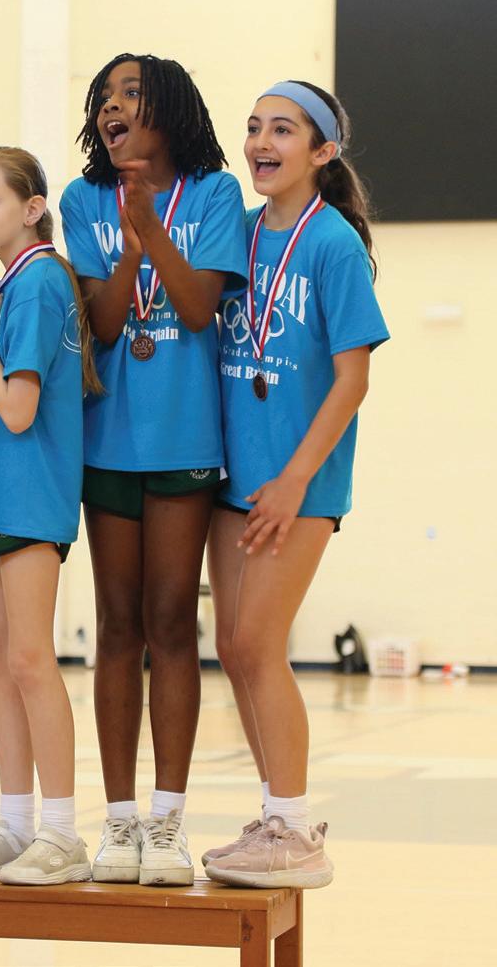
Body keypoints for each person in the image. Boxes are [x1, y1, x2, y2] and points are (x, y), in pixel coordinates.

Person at [59, 53, 247, 885]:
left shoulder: (213, 195)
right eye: (103, 96)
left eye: (130, 94)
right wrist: (129, 246)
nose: (112, 107)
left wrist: (151, 227)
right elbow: (103, 325)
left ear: (167, 109)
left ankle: (167, 822)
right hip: (106, 438)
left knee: (171, 621)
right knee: (116, 626)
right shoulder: (81, 199)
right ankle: (119, 821)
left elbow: (200, 308)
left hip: (183, 439)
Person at [204, 81, 388, 889]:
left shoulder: (331, 244)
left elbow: (352, 380)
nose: (259, 142)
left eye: (281, 129)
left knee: (255, 643)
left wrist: (292, 479)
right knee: (231, 647)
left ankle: (294, 827)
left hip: (297, 482)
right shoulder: (238, 234)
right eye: (253, 127)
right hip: (232, 475)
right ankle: (273, 817)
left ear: (322, 151)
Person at [0, 147, 95, 886]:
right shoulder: (14, 283)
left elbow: (19, 409)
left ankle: (61, 832)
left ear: (32, 208)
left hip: (29, 493)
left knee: (30, 659)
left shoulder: (34, 284)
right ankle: (13, 824)